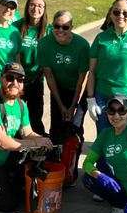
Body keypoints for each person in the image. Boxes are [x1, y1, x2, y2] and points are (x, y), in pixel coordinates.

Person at [0, 62, 52, 212]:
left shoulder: (21, 105)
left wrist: (43, 140)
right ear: (1, 79)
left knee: (23, 196)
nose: (15, 83)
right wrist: (33, 144)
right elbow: (2, 143)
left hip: (7, 161)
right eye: (10, 78)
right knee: (8, 205)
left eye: (20, 80)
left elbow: (28, 133)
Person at [87, 0, 127, 132]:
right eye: (116, 12)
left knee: (125, 139)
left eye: (125, 13)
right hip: (102, 96)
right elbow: (91, 71)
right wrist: (90, 99)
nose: (120, 16)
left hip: (126, 98)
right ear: (111, 14)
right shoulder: (101, 38)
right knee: (104, 137)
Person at [38, 9, 90, 145]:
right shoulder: (44, 44)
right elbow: (49, 77)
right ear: (52, 26)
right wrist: (61, 106)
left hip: (79, 89)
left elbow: (82, 80)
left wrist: (73, 106)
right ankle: (56, 155)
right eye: (57, 26)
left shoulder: (82, 46)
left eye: (65, 27)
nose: (60, 30)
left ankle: (73, 154)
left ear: (71, 28)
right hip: (59, 88)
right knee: (56, 127)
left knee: (75, 127)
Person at [16, 0, 49, 135]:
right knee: (17, 114)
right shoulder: (17, 26)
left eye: (40, 6)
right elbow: (13, 52)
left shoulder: (48, 30)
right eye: (32, 5)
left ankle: (36, 143)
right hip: (17, 77)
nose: (36, 9)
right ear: (27, 7)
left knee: (35, 116)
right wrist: (19, 76)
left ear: (44, 9)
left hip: (36, 78)